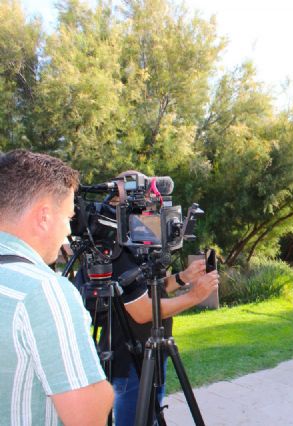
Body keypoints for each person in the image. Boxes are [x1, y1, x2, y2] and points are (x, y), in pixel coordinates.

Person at [76, 171, 219, 426]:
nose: (154, 206)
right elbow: (142, 310)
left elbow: (148, 288)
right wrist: (195, 297)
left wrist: (183, 278)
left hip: (152, 349)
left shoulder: (135, 241)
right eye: (148, 198)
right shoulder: (114, 248)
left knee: (151, 417)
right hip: (132, 357)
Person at [0, 149, 114, 425]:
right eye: (68, 217)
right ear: (44, 216)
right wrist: (106, 391)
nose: (68, 232)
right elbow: (88, 417)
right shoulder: (43, 292)